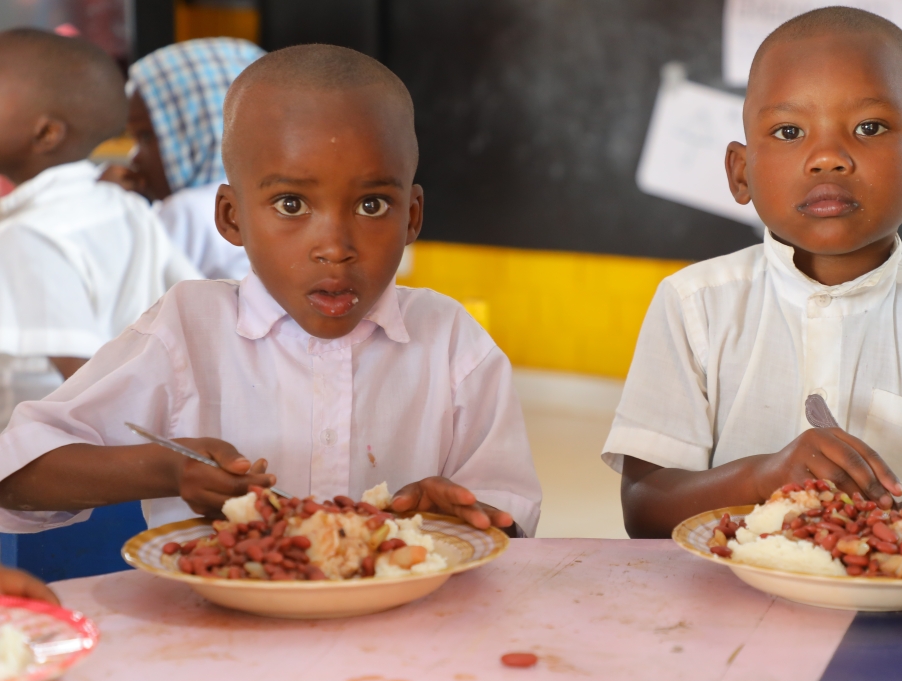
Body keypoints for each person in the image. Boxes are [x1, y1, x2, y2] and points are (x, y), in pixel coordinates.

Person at [0, 45, 542, 537]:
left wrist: (456, 519)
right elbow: (17, 471)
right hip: (216, 639)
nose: (335, 247)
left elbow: (507, 516)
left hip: (410, 638)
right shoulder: (186, 331)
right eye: (291, 204)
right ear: (231, 218)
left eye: (372, 205)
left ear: (412, 217)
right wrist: (168, 469)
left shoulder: (452, 345)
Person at [603, 8, 902, 538]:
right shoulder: (695, 304)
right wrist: (760, 476)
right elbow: (643, 510)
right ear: (740, 172)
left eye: (869, 127)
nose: (827, 158)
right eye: (789, 130)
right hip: (723, 608)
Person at [0, 29, 199, 432]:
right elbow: (194, 299)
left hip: (53, 456)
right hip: (136, 433)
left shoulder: (28, 235)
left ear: (46, 133)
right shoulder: (122, 204)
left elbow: (83, 377)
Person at [102, 38, 263, 280]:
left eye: (145, 136)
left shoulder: (187, 210)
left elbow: (129, 294)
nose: (133, 156)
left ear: (196, 129)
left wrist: (110, 205)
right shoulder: (262, 195)